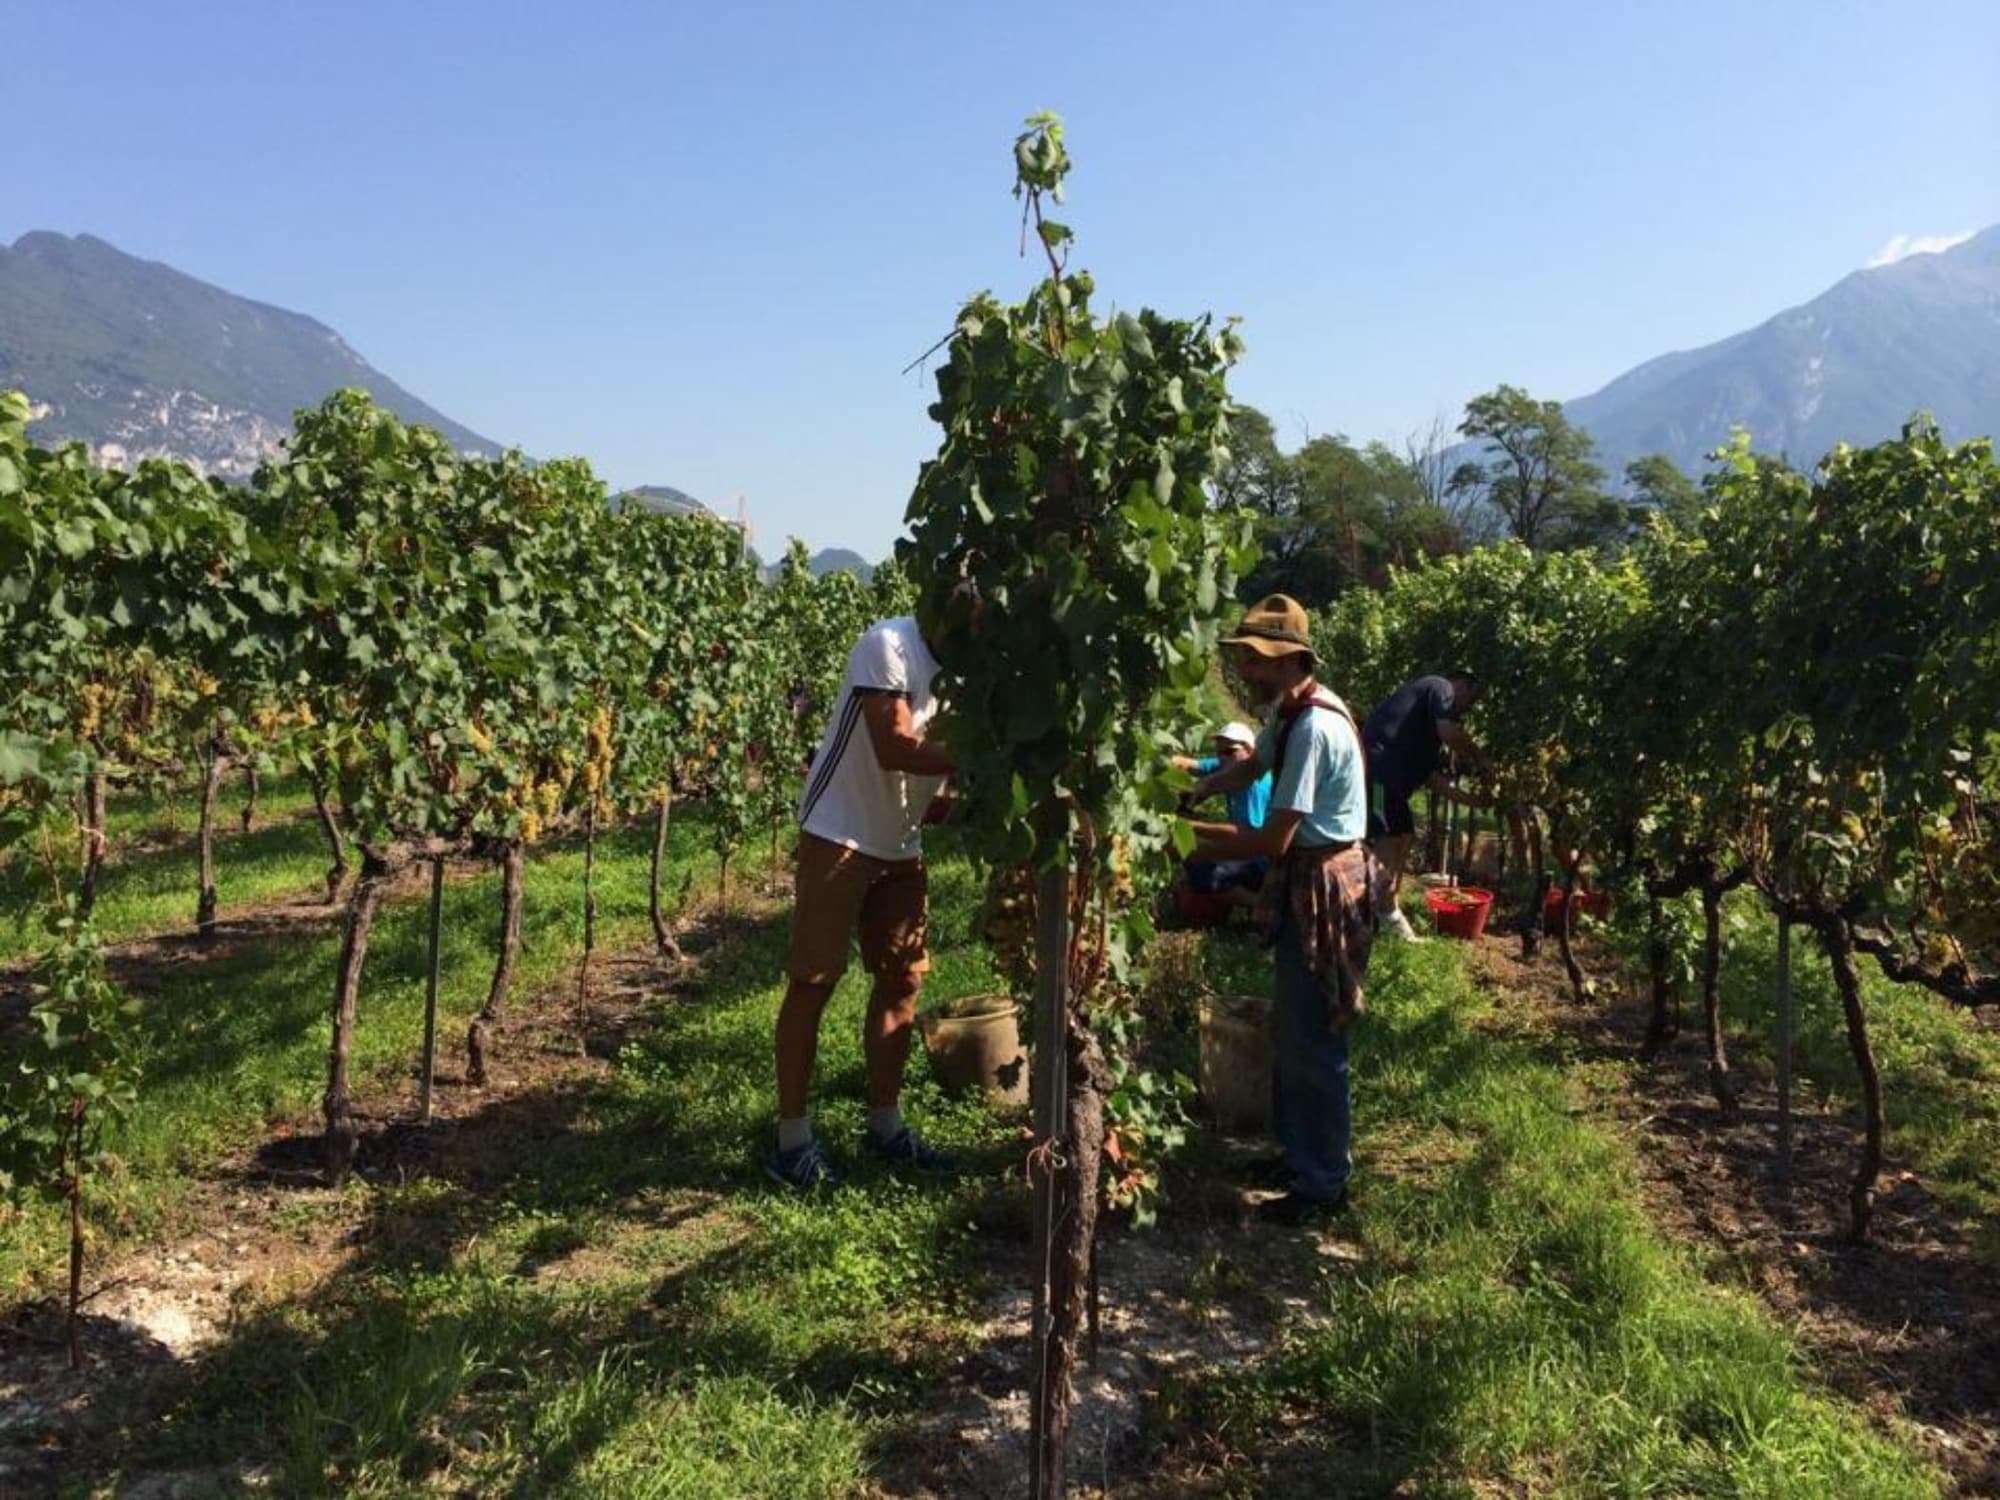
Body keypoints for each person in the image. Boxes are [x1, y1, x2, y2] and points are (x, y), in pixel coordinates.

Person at [1189, 595, 1374, 1226]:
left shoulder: (1315, 728)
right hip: (1306, 876)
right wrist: (1201, 788)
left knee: (1314, 1037)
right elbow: (1249, 769)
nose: (1246, 669)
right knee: (1293, 1029)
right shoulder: (1291, 713)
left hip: (1321, 885)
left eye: (1256, 659)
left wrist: (1184, 835)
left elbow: (1273, 840)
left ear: (1290, 660)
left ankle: (1324, 1184)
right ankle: (1298, 1155)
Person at [767, 611, 959, 1191]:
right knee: (814, 982)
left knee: (903, 981)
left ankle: (885, 1126)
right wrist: (989, 754)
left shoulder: (973, 669)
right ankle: (791, 1143)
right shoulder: (889, 645)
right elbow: (894, 746)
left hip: (901, 841)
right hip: (839, 834)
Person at [1362, 671, 1486, 941]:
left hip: (1391, 779)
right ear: (1462, 684)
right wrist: (1481, 758)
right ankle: (1367, 910)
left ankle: (1387, 909)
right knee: (1387, 836)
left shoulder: (1426, 734)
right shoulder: (1440, 686)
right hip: (1378, 771)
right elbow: (1449, 732)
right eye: (1471, 699)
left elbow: (1432, 779)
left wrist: (1473, 800)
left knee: (1404, 835)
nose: (1466, 708)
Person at [1173, 722, 1272, 907]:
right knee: (1194, 854)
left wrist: (1192, 827)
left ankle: (1262, 906)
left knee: (1202, 871)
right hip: (1245, 848)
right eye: (1219, 753)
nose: (1222, 758)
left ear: (1249, 751)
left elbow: (1245, 833)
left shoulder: (1253, 786)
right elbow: (1192, 765)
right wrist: (1162, 760)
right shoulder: (1230, 766)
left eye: (1229, 752)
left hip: (1260, 857)